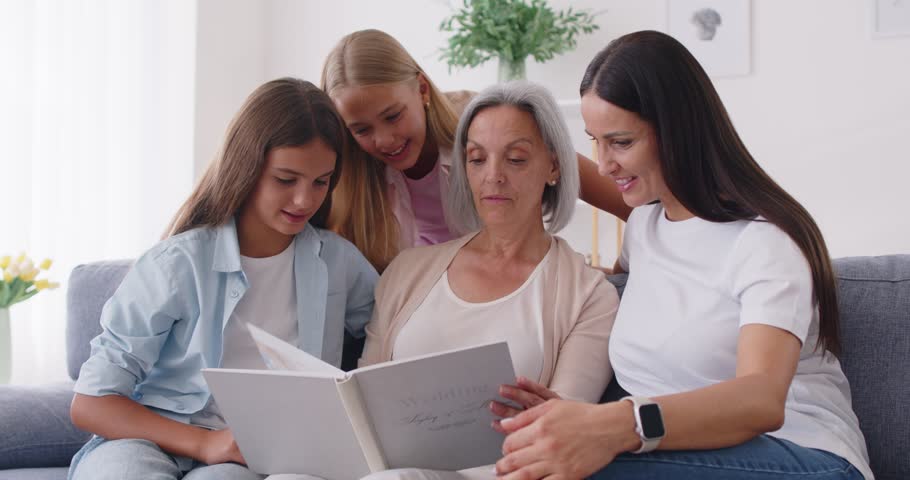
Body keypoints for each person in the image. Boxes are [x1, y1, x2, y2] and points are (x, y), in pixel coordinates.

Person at [494, 31, 873, 480]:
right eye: (595, 140)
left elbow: (761, 400)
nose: (604, 163)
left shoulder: (766, 242)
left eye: (620, 142)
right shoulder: (644, 229)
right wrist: (572, 419)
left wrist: (612, 425)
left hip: (804, 458)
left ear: (678, 131)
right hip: (673, 454)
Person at [67, 78, 378, 480]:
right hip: (145, 439)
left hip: (252, 452)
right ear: (247, 167)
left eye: (321, 182)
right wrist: (204, 443)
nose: (305, 200)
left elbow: (395, 335)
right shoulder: (176, 265)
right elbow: (91, 403)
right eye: (286, 179)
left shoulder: (339, 264)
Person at [353, 82, 619, 480]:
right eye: (477, 159)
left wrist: (548, 419)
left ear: (553, 166)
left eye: (515, 159)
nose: (492, 176)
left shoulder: (588, 297)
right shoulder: (407, 272)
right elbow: (359, 403)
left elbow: (564, 436)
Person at [320, 29, 632, 272]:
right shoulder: (352, 176)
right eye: (362, 129)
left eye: (393, 116)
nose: (384, 140)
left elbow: (630, 206)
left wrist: (619, 274)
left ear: (422, 89)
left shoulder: (484, 126)